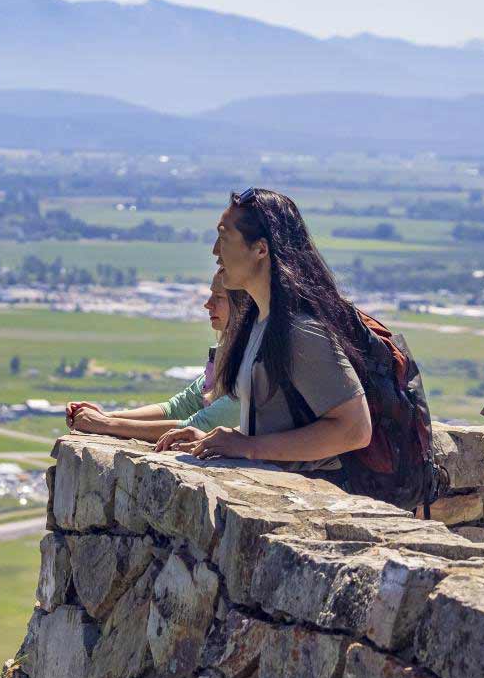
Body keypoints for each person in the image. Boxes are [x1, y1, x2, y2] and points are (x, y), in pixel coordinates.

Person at [155, 188, 373, 471]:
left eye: (224, 237)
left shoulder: (300, 331)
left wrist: (247, 448)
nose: (215, 252)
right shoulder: (260, 322)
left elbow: (355, 429)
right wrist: (221, 442)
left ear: (260, 249)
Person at [66, 271, 245, 443]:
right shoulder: (224, 355)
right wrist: (104, 416)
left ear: (243, 305)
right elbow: (176, 408)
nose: (208, 304)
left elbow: (199, 426)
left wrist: (106, 425)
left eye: (219, 297)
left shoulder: (252, 363)